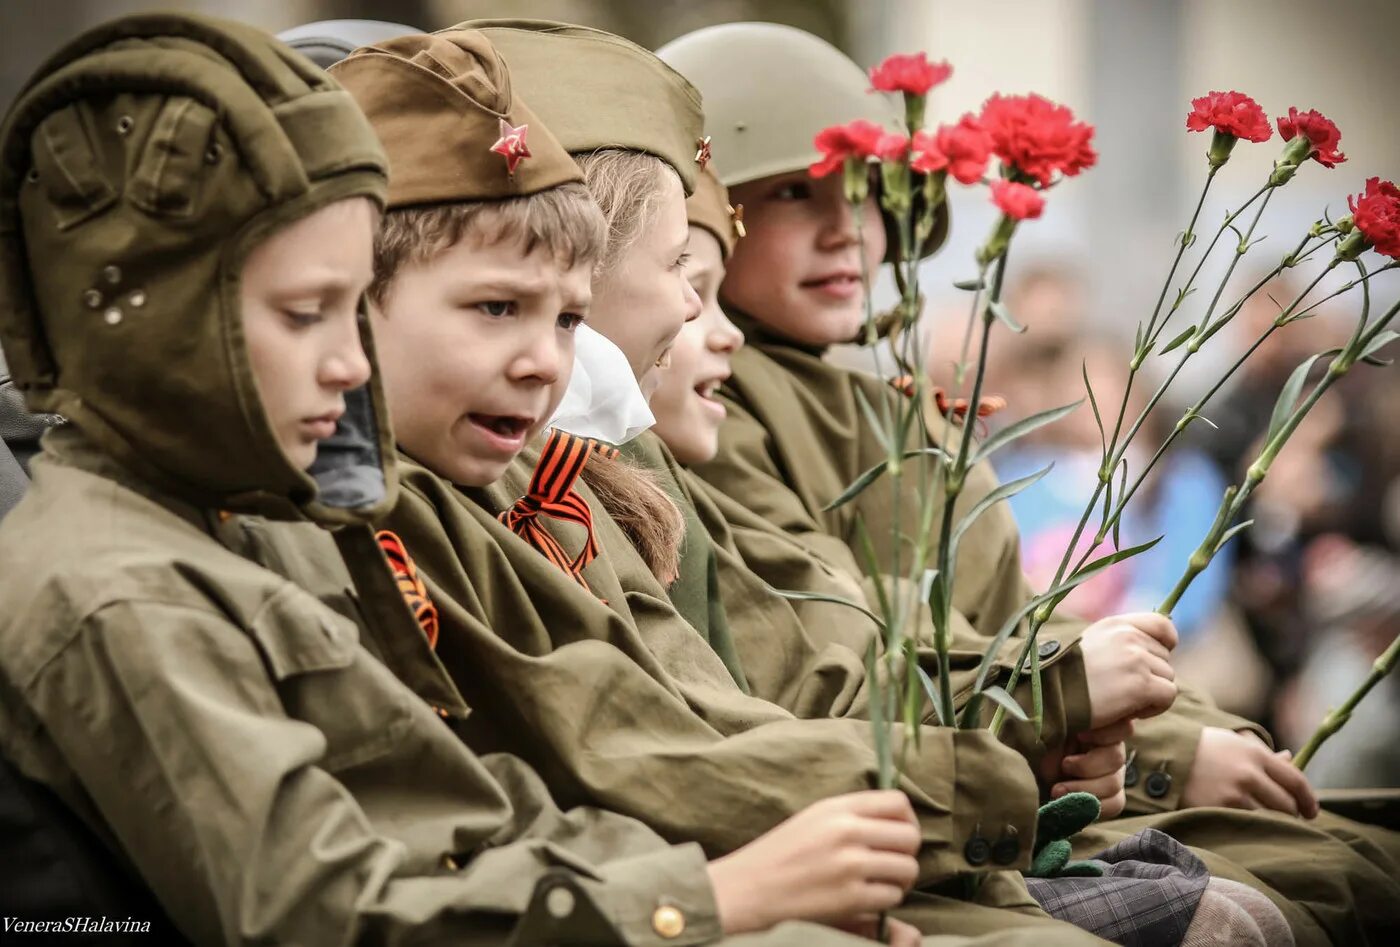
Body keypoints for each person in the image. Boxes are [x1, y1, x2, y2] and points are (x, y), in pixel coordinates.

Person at [0, 15, 986, 945]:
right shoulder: (120, 581)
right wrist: (716, 897)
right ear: (152, 323)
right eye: (307, 313)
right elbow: (320, 909)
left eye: (563, 318)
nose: (351, 363)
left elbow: (487, 806)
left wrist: (749, 897)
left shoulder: (259, 520)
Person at [659, 20, 1400, 946]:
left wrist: (1181, 733)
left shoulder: (862, 393)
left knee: (1354, 865)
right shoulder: (711, 404)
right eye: (791, 193)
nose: (847, 226)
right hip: (932, 789)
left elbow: (1019, 608)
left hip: (1011, 762)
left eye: (866, 186)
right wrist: (1145, 743)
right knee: (1286, 903)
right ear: (697, 218)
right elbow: (834, 649)